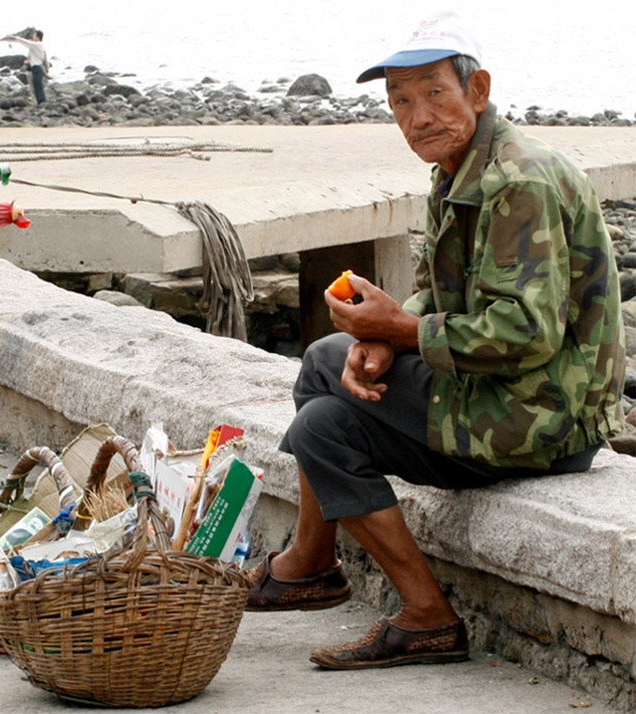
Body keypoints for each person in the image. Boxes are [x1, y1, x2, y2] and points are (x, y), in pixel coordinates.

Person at [246, 10, 626, 670]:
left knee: (322, 415)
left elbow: (526, 335)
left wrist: (399, 329)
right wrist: (392, 339)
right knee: (324, 381)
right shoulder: (458, 168)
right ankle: (317, 568)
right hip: (501, 396)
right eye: (400, 101)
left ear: (477, 90)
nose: (418, 116)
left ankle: (415, 612)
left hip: (541, 421)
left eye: (434, 94)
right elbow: (433, 289)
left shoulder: (517, 182)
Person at [5, 29, 49, 105]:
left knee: (37, 86)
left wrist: (16, 38)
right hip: (38, 67)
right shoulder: (39, 46)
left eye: (34, 35)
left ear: (38, 37)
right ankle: (40, 102)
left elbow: (25, 42)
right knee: (37, 85)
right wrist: (46, 67)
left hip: (36, 68)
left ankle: (41, 102)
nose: (33, 36)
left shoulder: (36, 45)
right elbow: (44, 57)